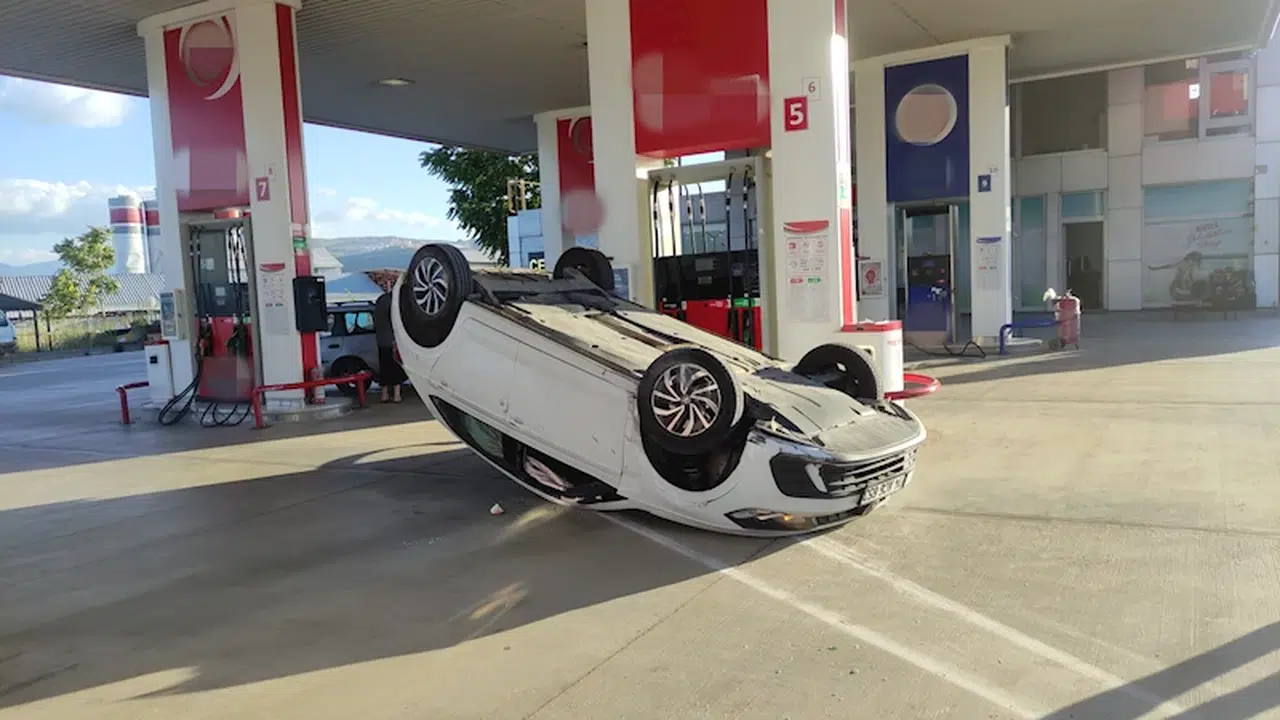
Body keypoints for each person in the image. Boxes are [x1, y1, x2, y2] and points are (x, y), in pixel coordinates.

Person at [372, 291, 407, 403]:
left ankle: (384, 394)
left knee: (384, 367)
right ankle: (397, 395)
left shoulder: (380, 300)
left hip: (380, 340)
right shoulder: (394, 301)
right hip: (393, 340)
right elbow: (396, 321)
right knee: (396, 367)